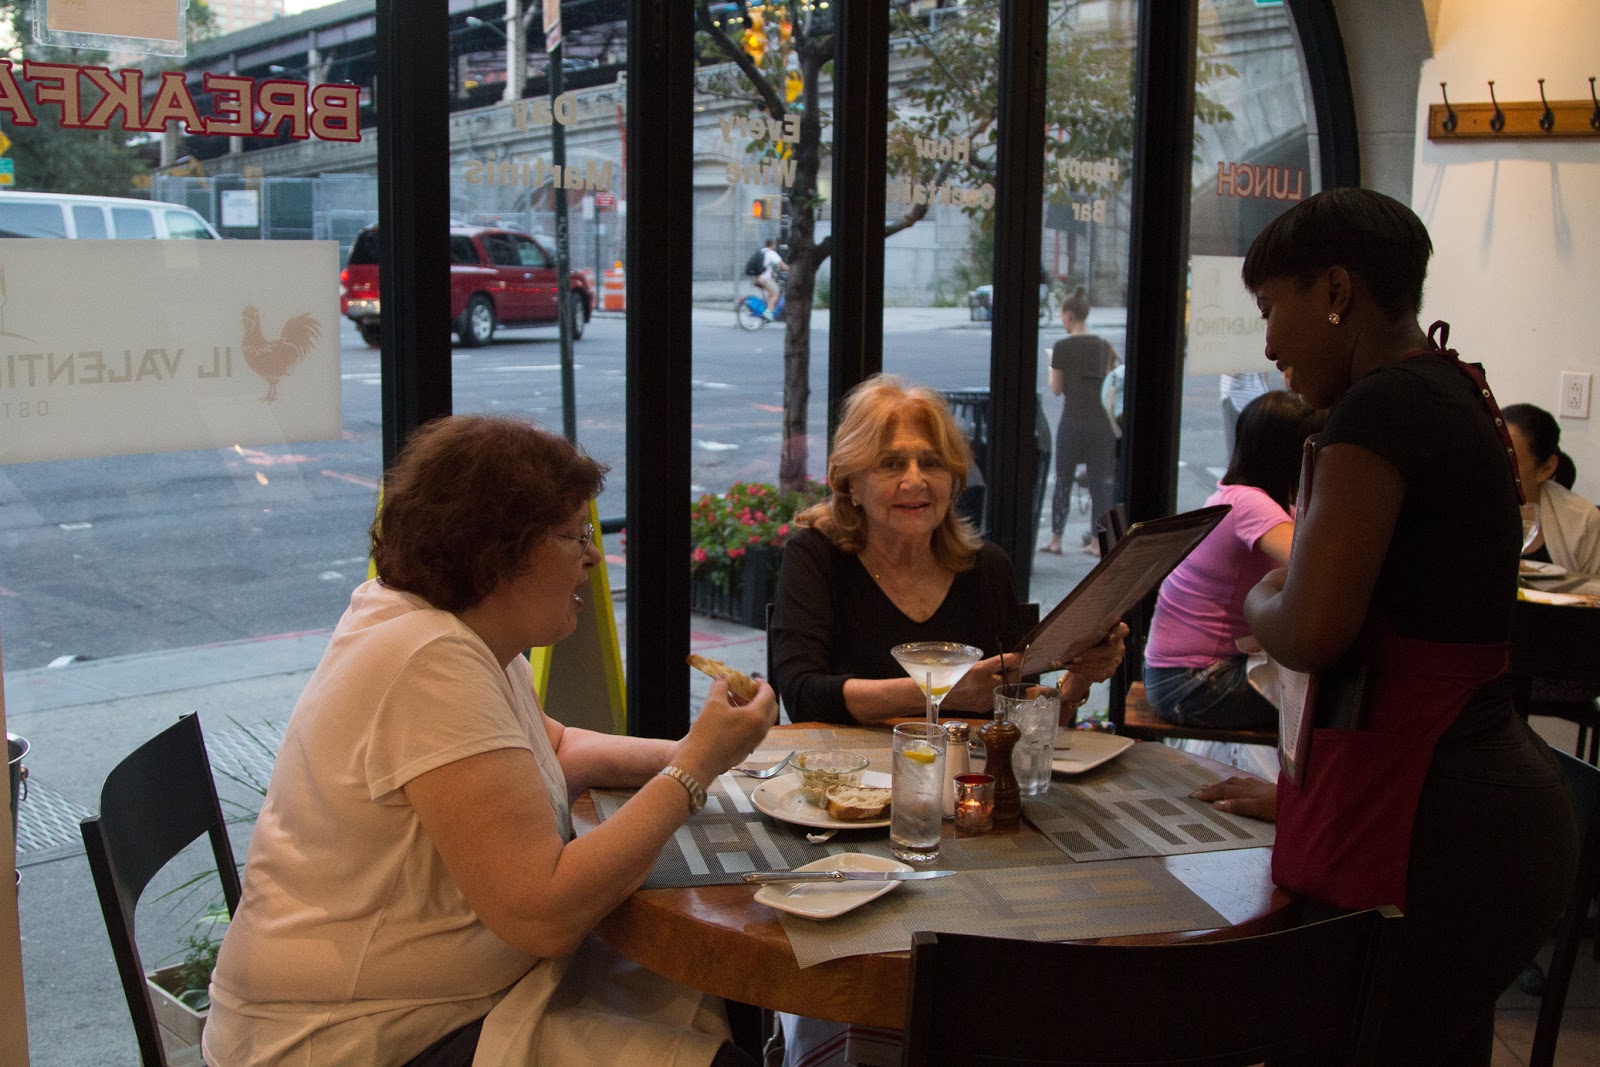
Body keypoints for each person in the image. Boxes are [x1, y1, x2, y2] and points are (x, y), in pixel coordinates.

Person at [204, 415, 777, 1067]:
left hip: (444, 998)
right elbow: (544, 913)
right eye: (573, 535)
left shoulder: (442, 624)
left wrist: (708, 753)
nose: (592, 557)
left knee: (706, 989)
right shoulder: (427, 659)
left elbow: (554, 750)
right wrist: (697, 768)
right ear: (498, 555)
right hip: (355, 1036)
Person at [1192, 188, 1577, 1065]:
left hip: (1437, 823)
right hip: (1488, 801)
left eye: (1270, 309)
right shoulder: (1454, 391)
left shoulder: (1380, 409)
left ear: (1336, 289)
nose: (1268, 344)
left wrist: (1261, 601)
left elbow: (1311, 628)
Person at [771, 374, 1126, 726]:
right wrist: (942, 690)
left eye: (932, 463)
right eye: (891, 463)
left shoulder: (987, 568)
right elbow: (802, 696)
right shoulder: (816, 557)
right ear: (850, 485)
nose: (915, 481)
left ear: (953, 482)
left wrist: (1080, 677)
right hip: (843, 779)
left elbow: (1019, 725)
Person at [1143, 390, 1322, 730]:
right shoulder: (1249, 505)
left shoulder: (1241, 496)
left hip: (1185, 675)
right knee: (1333, 706)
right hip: (1191, 682)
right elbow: (1315, 568)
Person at [1042, 286, 1118, 556]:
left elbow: (1056, 388)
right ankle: (1098, 542)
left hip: (1072, 421)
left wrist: (1052, 366)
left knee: (1063, 479)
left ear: (1069, 315)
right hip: (1101, 425)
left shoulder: (1062, 347)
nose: (1062, 321)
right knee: (1099, 484)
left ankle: (1056, 540)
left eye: (1063, 317)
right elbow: (1113, 381)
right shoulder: (1103, 345)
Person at [1503, 402, 1600, 573]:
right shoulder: (1461, 506)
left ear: (1546, 469)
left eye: (1510, 460)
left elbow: (1594, 593)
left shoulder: (1583, 521)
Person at [754, 237, 787, 321]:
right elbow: (782, 265)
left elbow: (765, 265)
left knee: (770, 294)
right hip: (764, 279)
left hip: (757, 277)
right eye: (775, 245)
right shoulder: (771, 253)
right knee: (775, 293)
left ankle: (768, 311)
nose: (775, 246)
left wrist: (773, 273)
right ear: (773, 245)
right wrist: (791, 269)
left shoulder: (761, 251)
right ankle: (768, 312)